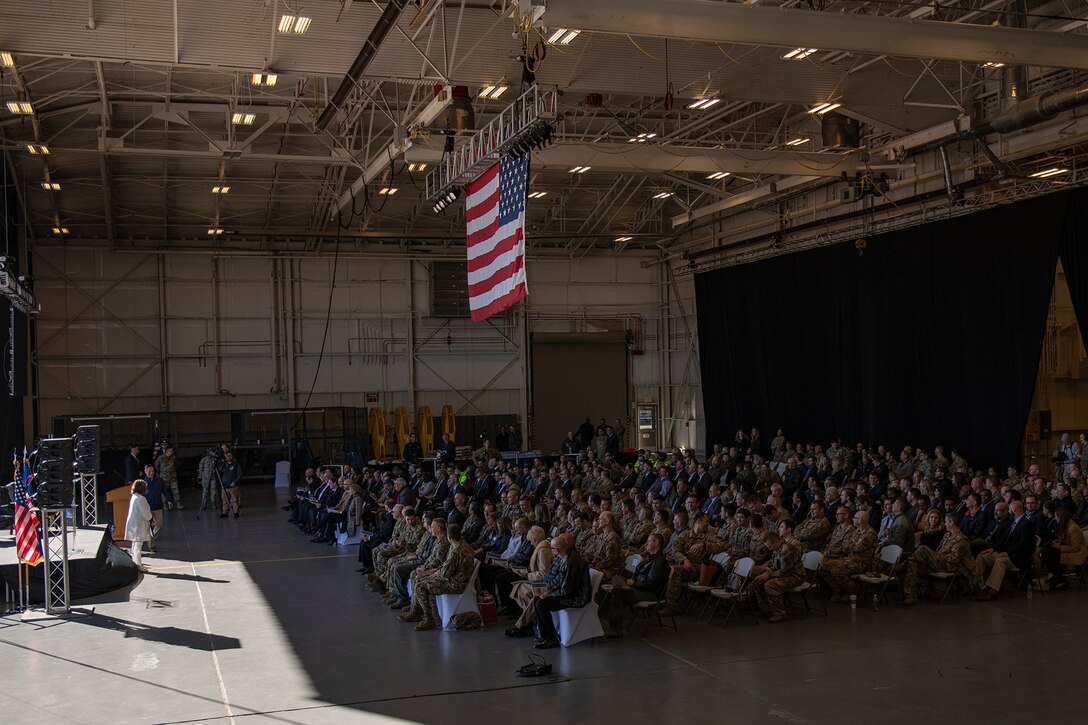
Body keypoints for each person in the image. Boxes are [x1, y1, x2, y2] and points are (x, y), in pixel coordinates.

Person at [400, 523, 477, 631]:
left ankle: (429, 619)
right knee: (421, 578)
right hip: (456, 579)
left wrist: (438, 573)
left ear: (449, 537)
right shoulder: (464, 545)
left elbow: (446, 573)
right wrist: (436, 571)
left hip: (455, 584)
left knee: (420, 586)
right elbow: (448, 566)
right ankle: (420, 610)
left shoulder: (456, 550)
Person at [599, 532, 669, 637]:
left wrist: (634, 583)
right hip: (638, 587)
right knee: (616, 577)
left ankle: (615, 629)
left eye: (648, 541)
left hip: (650, 593)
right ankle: (624, 588)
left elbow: (650, 583)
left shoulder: (659, 562)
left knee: (617, 593)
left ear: (656, 543)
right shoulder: (649, 557)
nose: (646, 544)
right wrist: (633, 581)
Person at [530, 533, 591, 649]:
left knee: (542, 604)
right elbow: (563, 583)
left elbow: (568, 590)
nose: (551, 551)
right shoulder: (566, 557)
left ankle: (552, 639)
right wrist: (547, 591)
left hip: (576, 597)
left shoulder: (571, 562)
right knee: (537, 599)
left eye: (552, 549)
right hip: (568, 593)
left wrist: (551, 594)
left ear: (557, 550)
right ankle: (544, 635)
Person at [902, 512, 974, 606]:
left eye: (946, 522)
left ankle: (903, 565)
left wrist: (935, 556)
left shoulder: (962, 540)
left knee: (922, 549)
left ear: (951, 523)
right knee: (914, 562)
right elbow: (939, 550)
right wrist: (935, 556)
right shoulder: (947, 535)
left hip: (949, 566)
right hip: (940, 562)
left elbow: (954, 559)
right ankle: (910, 595)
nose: (945, 524)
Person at [142, 464, 172, 554]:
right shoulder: (142, 482)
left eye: (153, 471)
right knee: (149, 526)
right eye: (149, 471)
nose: (151, 473)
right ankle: (152, 546)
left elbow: (165, 490)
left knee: (159, 524)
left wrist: (169, 500)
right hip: (148, 508)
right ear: (145, 471)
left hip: (158, 506)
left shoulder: (159, 481)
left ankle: (150, 538)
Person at [125, 479, 153, 571]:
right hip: (138, 525)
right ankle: (138, 564)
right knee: (138, 545)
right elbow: (146, 514)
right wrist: (151, 517)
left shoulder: (134, 496)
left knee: (135, 544)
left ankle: (135, 562)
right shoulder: (141, 499)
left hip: (134, 524)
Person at [155, 444, 182, 510]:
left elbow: (177, 465)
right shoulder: (160, 458)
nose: (172, 452)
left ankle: (178, 503)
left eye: (172, 451)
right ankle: (165, 505)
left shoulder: (173, 458)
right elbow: (156, 466)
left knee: (175, 490)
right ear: (167, 451)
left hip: (173, 477)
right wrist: (162, 473)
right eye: (170, 451)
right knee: (164, 491)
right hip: (164, 478)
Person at [219, 449, 243, 518]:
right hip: (224, 486)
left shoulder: (236, 464)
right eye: (227, 456)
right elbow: (220, 473)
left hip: (233, 486)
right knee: (225, 501)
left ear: (232, 456)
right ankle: (225, 513)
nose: (229, 457)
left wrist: (235, 482)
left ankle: (236, 513)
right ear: (225, 457)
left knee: (235, 500)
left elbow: (239, 474)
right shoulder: (223, 465)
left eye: (230, 456)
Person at [197, 447, 222, 515]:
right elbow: (200, 468)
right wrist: (200, 477)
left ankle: (213, 504)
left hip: (213, 477)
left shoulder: (214, 460)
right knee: (205, 492)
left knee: (213, 491)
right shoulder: (204, 460)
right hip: (206, 478)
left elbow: (219, 467)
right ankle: (203, 505)